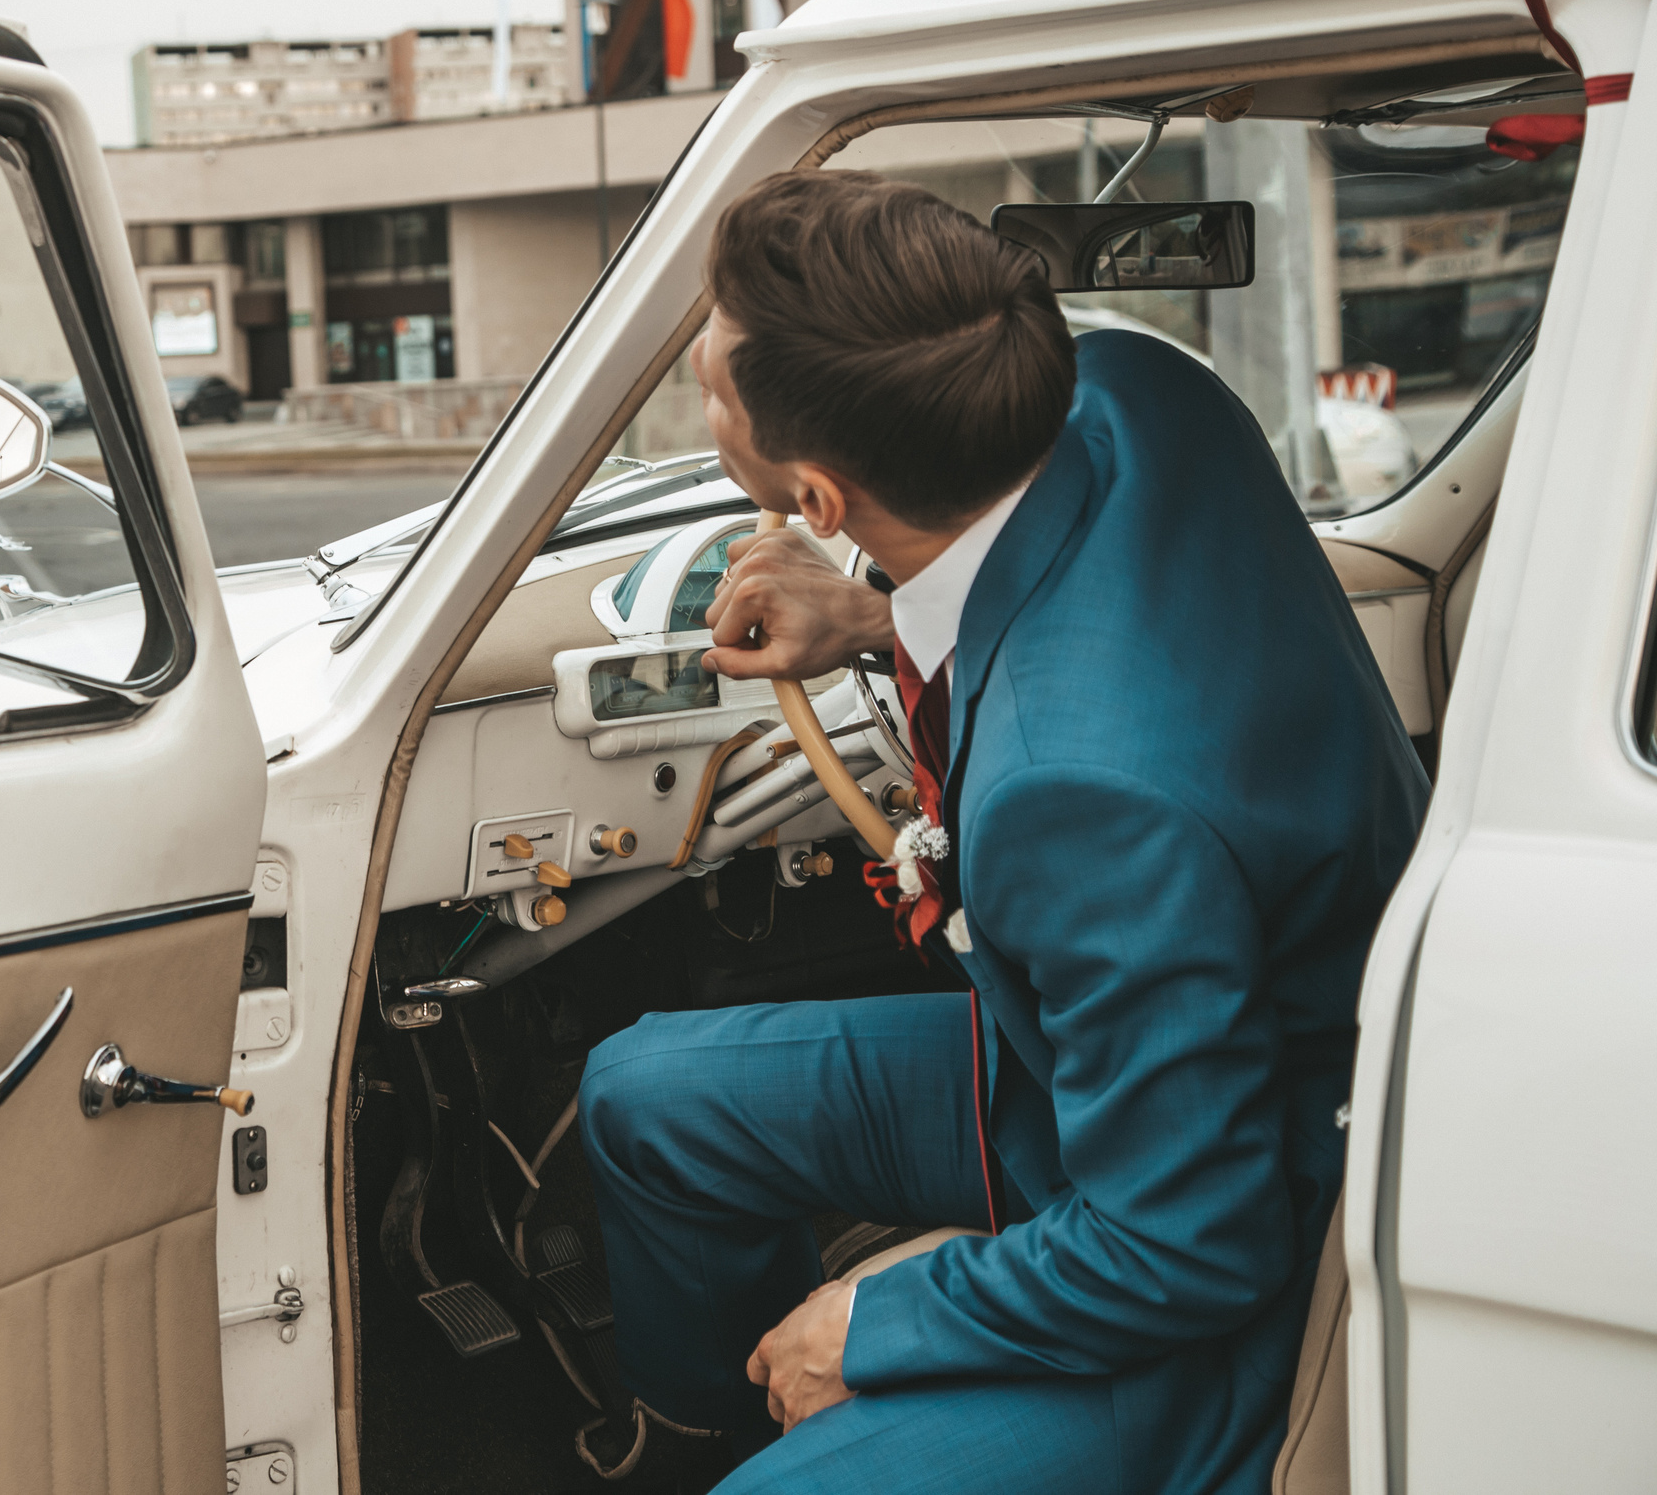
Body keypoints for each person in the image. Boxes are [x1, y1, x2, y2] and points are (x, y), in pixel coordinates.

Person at [577, 170, 1428, 1493]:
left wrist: (878, 1316)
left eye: (714, 380)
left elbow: (1189, 1242)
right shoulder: (1144, 389)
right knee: (646, 1098)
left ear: (812, 497)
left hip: (1268, 1203)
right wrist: (870, 615)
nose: (701, 360)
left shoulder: (1080, 793)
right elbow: (1054, 562)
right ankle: (729, 1435)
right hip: (1122, 1064)